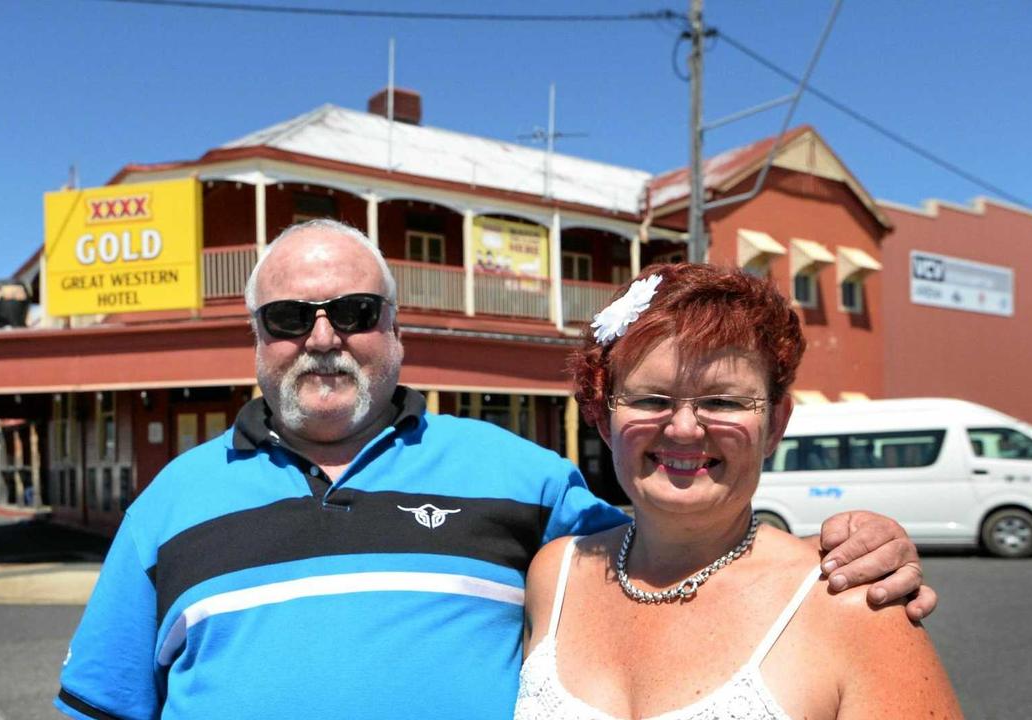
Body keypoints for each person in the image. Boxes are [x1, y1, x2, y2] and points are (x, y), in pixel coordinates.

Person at [56, 220, 934, 720]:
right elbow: (101, 707)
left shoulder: (522, 478)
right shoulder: (169, 501)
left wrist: (843, 547)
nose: (323, 337)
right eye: (289, 316)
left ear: (396, 331)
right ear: (256, 341)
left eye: (354, 312)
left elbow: (682, 534)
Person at [515, 264, 961, 719]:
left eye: (722, 401)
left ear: (776, 425)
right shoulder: (555, 577)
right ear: (605, 419)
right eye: (651, 399)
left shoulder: (852, 600)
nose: (684, 428)